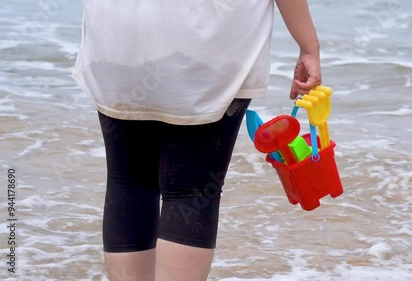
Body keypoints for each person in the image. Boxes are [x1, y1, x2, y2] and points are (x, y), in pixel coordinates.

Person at [73, 0, 321, 280]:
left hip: (115, 37)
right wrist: (309, 48)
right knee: (191, 192)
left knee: (130, 181)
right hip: (206, 44)